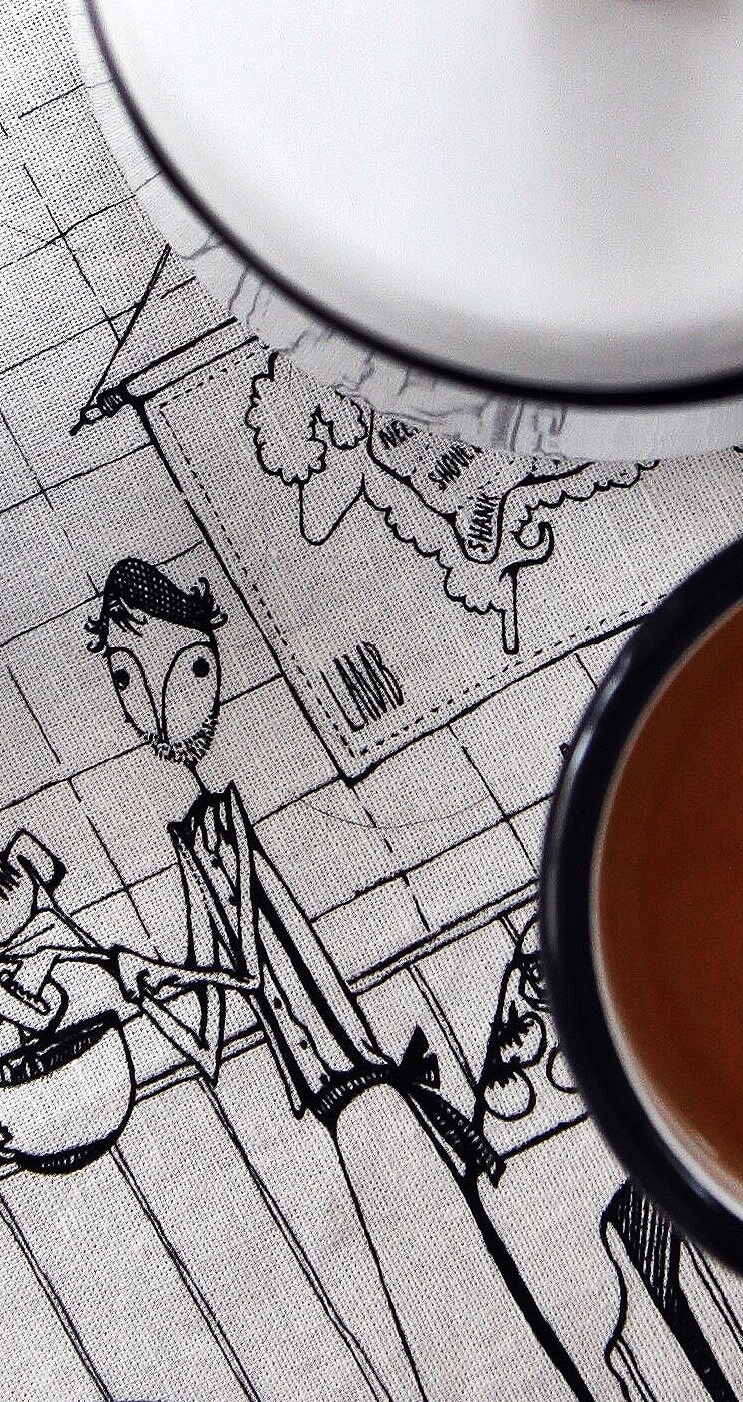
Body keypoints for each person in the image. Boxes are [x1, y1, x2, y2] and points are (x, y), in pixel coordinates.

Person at [86, 556, 590, 1400]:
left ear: (206, 666)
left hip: (364, 1087)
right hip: (343, 1100)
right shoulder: (197, 833)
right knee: (442, 1305)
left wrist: (154, 973)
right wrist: (143, 983)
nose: (152, 708)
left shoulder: (229, 823)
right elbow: (211, 1027)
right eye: (126, 681)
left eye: (176, 671)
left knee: (453, 1299)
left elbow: (245, 979)